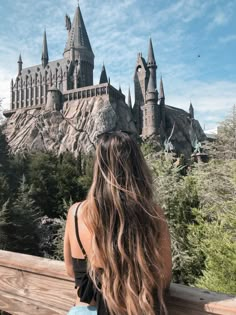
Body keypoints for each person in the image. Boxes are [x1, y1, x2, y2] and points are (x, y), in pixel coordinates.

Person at [64, 131, 172, 315]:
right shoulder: (151, 213)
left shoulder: (75, 213)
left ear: (98, 166)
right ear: (138, 167)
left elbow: (71, 271)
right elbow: (163, 278)